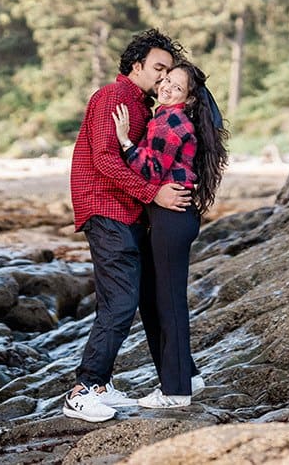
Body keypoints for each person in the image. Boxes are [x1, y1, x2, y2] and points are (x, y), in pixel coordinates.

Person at [64, 30, 193, 423]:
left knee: (129, 299)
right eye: (158, 68)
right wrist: (154, 193)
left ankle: (102, 386)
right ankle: (83, 390)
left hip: (129, 212)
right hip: (107, 210)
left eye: (169, 71)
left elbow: (155, 155)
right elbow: (105, 159)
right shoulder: (112, 98)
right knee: (120, 302)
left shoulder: (145, 107)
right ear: (135, 66)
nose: (163, 77)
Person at [110, 59, 228, 408]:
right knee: (156, 298)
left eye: (176, 87)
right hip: (168, 218)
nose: (166, 88)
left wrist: (124, 143)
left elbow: (150, 169)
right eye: (165, 81)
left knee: (170, 303)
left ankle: (176, 392)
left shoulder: (173, 121)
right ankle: (186, 375)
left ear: (189, 99)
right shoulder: (165, 117)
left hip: (170, 218)